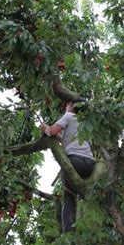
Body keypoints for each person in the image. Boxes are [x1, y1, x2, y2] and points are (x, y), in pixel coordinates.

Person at [40, 99, 94, 232]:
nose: (65, 107)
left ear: (71, 106)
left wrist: (45, 128)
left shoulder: (69, 116)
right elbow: (63, 137)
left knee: (69, 196)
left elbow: (51, 132)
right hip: (89, 165)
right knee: (83, 195)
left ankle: (69, 234)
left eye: (67, 105)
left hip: (75, 162)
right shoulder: (85, 123)